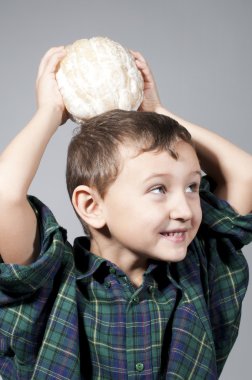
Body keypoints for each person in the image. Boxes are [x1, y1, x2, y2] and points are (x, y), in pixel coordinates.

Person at [0, 46, 251, 380]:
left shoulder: (201, 266)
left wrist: (158, 111)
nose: (185, 210)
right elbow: (4, 197)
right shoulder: (50, 281)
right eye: (158, 189)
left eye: (192, 187)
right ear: (92, 205)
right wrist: (49, 112)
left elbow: (245, 175)